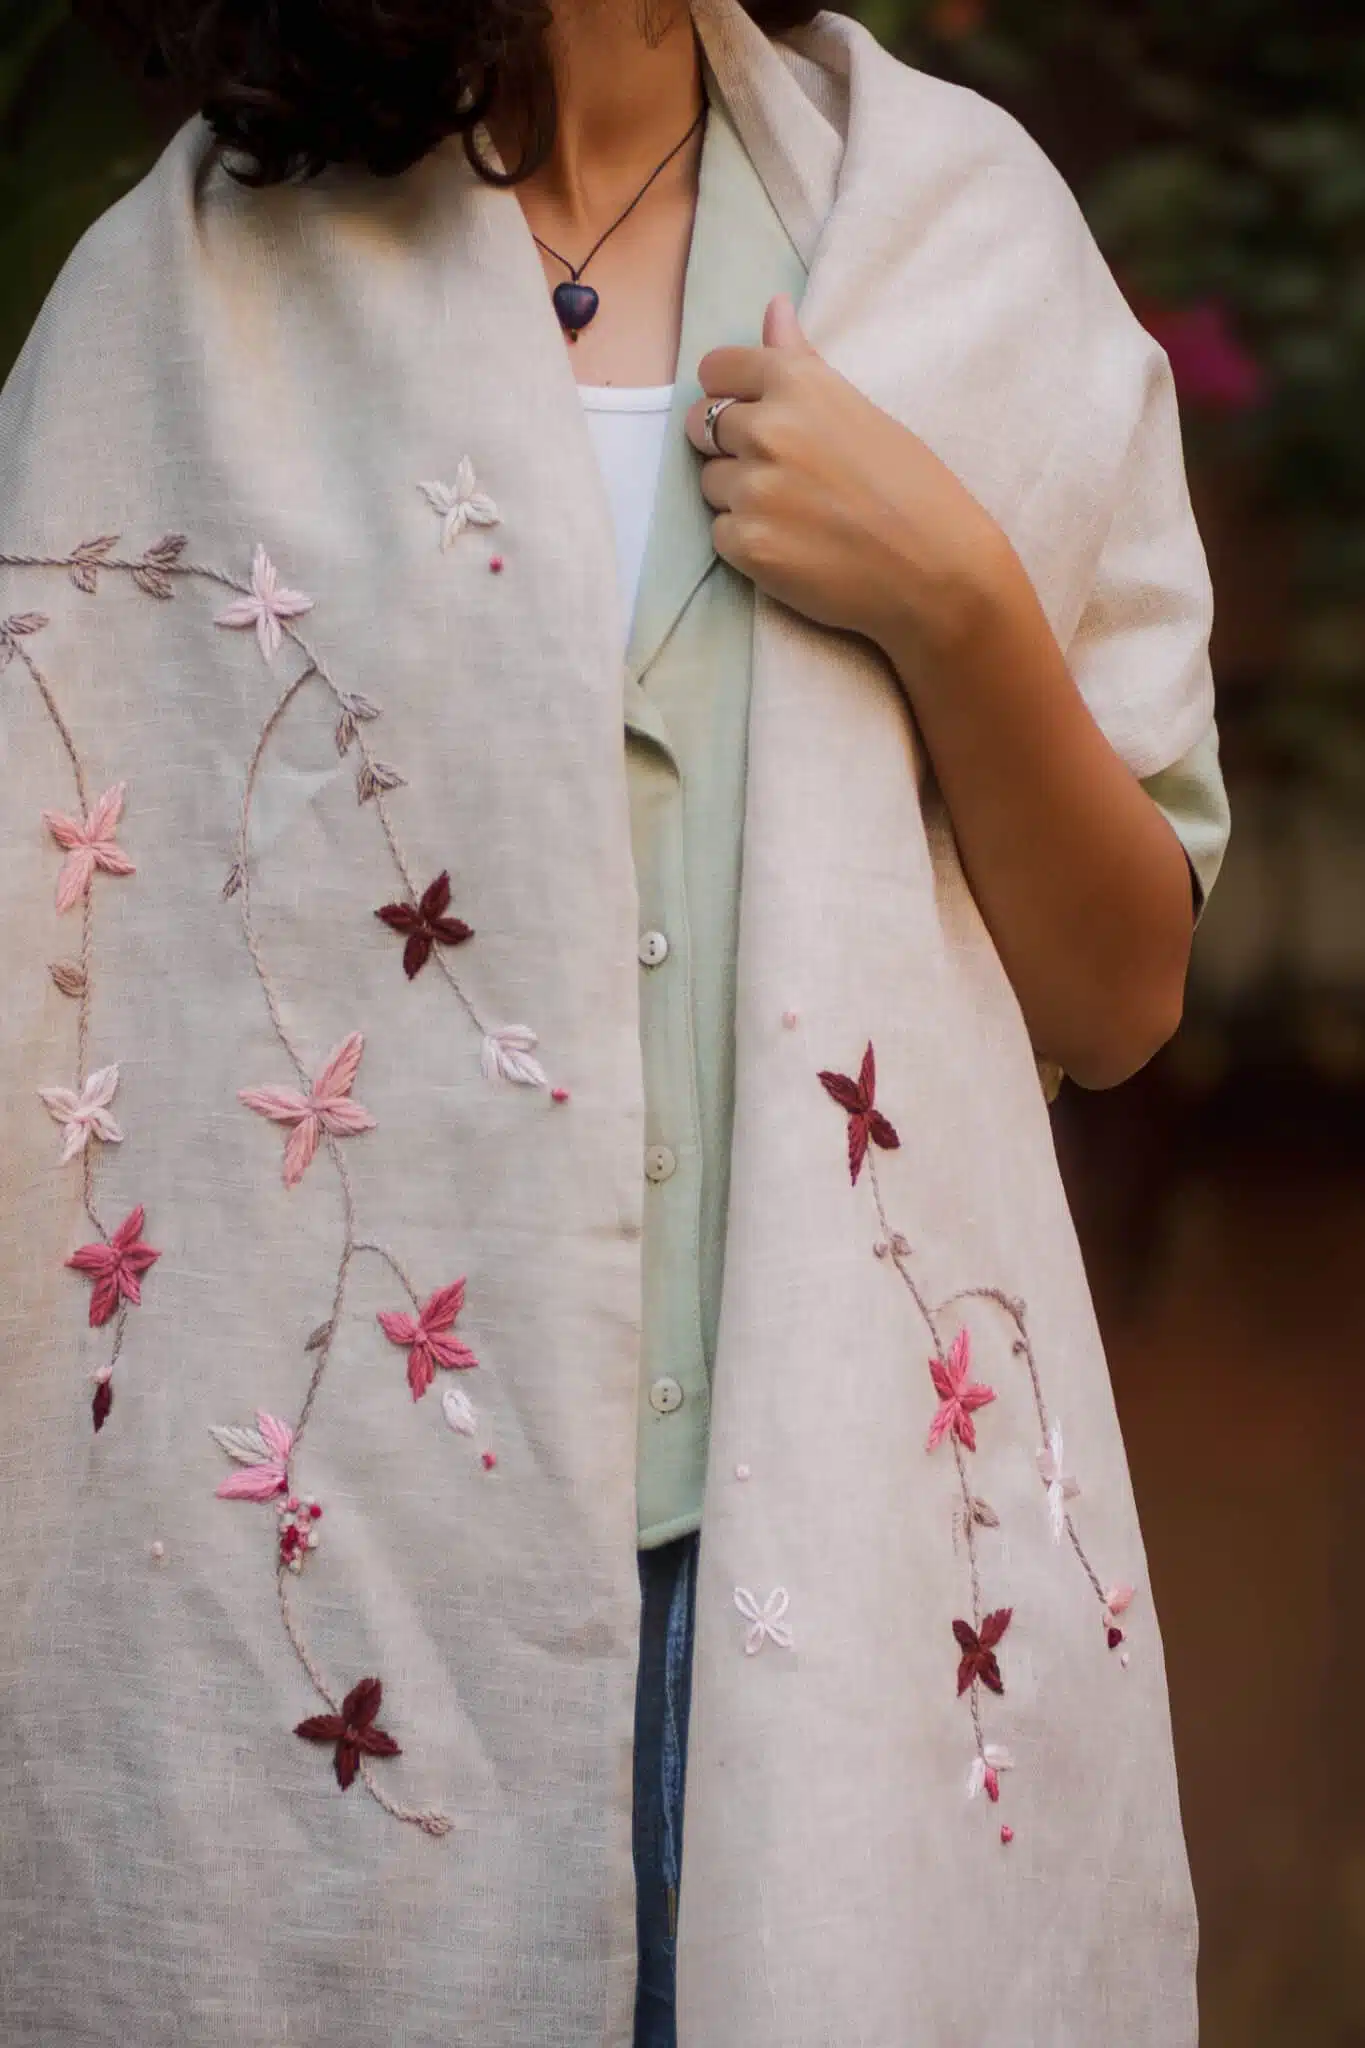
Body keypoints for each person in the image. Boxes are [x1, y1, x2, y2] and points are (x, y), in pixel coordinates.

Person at [0, 0, 1229, 2041]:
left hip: (831, 1591)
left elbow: (1120, 993)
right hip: (337, 1620)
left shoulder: (953, 239)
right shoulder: (190, 294)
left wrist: (956, 600)